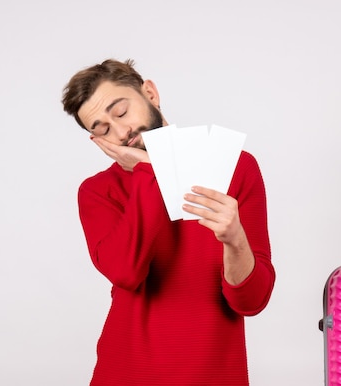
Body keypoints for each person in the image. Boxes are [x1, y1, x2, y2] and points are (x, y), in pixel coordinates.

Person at [61, 59, 276, 386]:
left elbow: (252, 301)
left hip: (215, 376)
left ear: (150, 92)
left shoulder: (235, 166)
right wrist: (149, 170)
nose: (121, 133)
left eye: (121, 113)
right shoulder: (97, 192)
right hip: (126, 374)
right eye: (102, 129)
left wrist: (235, 240)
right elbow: (127, 272)